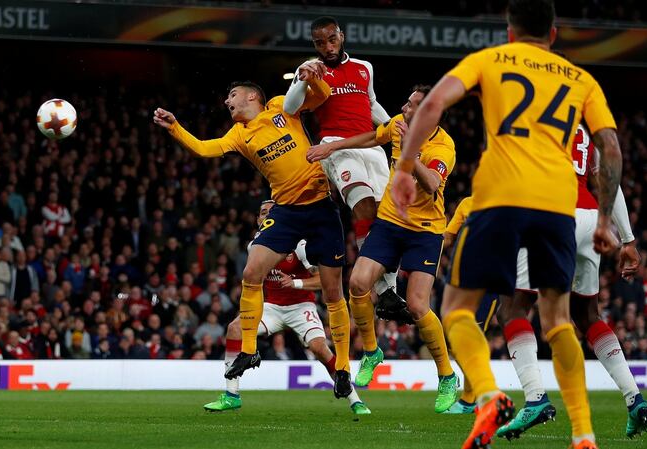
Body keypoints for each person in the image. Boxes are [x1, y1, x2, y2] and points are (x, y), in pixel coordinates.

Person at [391, 1, 622, 448]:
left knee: (457, 308)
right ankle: (584, 434)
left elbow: (434, 102)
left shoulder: (491, 59)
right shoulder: (581, 80)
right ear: (553, 34)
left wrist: (403, 168)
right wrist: (606, 218)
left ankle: (490, 394)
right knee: (558, 320)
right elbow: (609, 146)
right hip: (558, 206)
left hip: (499, 199)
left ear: (510, 31)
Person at [154, 73, 354, 399]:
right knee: (251, 272)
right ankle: (249, 350)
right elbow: (205, 150)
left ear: (251, 97)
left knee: (334, 292)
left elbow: (321, 97)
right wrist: (175, 127)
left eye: (232, 95)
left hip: (320, 208)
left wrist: (313, 79)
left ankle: (343, 367)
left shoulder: (280, 106)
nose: (227, 101)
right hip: (285, 211)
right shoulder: (238, 134)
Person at [495, 124, 647, 439]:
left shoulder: (533, 118)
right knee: (587, 315)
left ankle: (535, 397)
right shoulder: (582, 129)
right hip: (590, 218)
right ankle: (635, 399)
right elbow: (608, 181)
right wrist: (628, 239)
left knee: (513, 307)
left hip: (551, 215)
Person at [307, 85, 459, 412]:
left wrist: (408, 151)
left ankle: (447, 375)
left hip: (425, 231)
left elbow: (432, 184)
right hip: (390, 223)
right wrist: (331, 149)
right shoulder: (397, 126)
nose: (404, 108)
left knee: (418, 306)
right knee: (358, 284)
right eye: (407, 101)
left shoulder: (443, 146)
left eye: (413, 105)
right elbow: (369, 137)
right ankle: (372, 351)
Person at [283, 16, 411, 323]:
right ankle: (384, 289)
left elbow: (371, 104)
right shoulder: (312, 70)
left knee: (387, 218)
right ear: (313, 44)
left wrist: (397, 125)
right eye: (319, 42)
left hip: (372, 146)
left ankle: (388, 292)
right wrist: (302, 77)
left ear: (342, 36)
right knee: (363, 206)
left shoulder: (364, 67)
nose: (327, 47)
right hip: (336, 147)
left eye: (331, 39)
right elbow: (290, 108)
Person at [203, 201, 369, 414]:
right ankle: (231, 396)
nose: (267, 216)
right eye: (263, 213)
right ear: (257, 220)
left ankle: (355, 399)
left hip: (301, 306)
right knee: (235, 329)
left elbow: (325, 281)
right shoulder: (255, 245)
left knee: (320, 348)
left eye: (272, 212)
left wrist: (296, 283)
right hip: (271, 307)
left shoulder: (298, 244)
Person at [440, 196, 500, 415]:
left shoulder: (504, 203)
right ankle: (479, 392)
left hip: (490, 281)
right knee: (457, 339)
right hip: (464, 281)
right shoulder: (466, 204)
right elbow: (447, 236)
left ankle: (471, 398)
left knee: (473, 337)